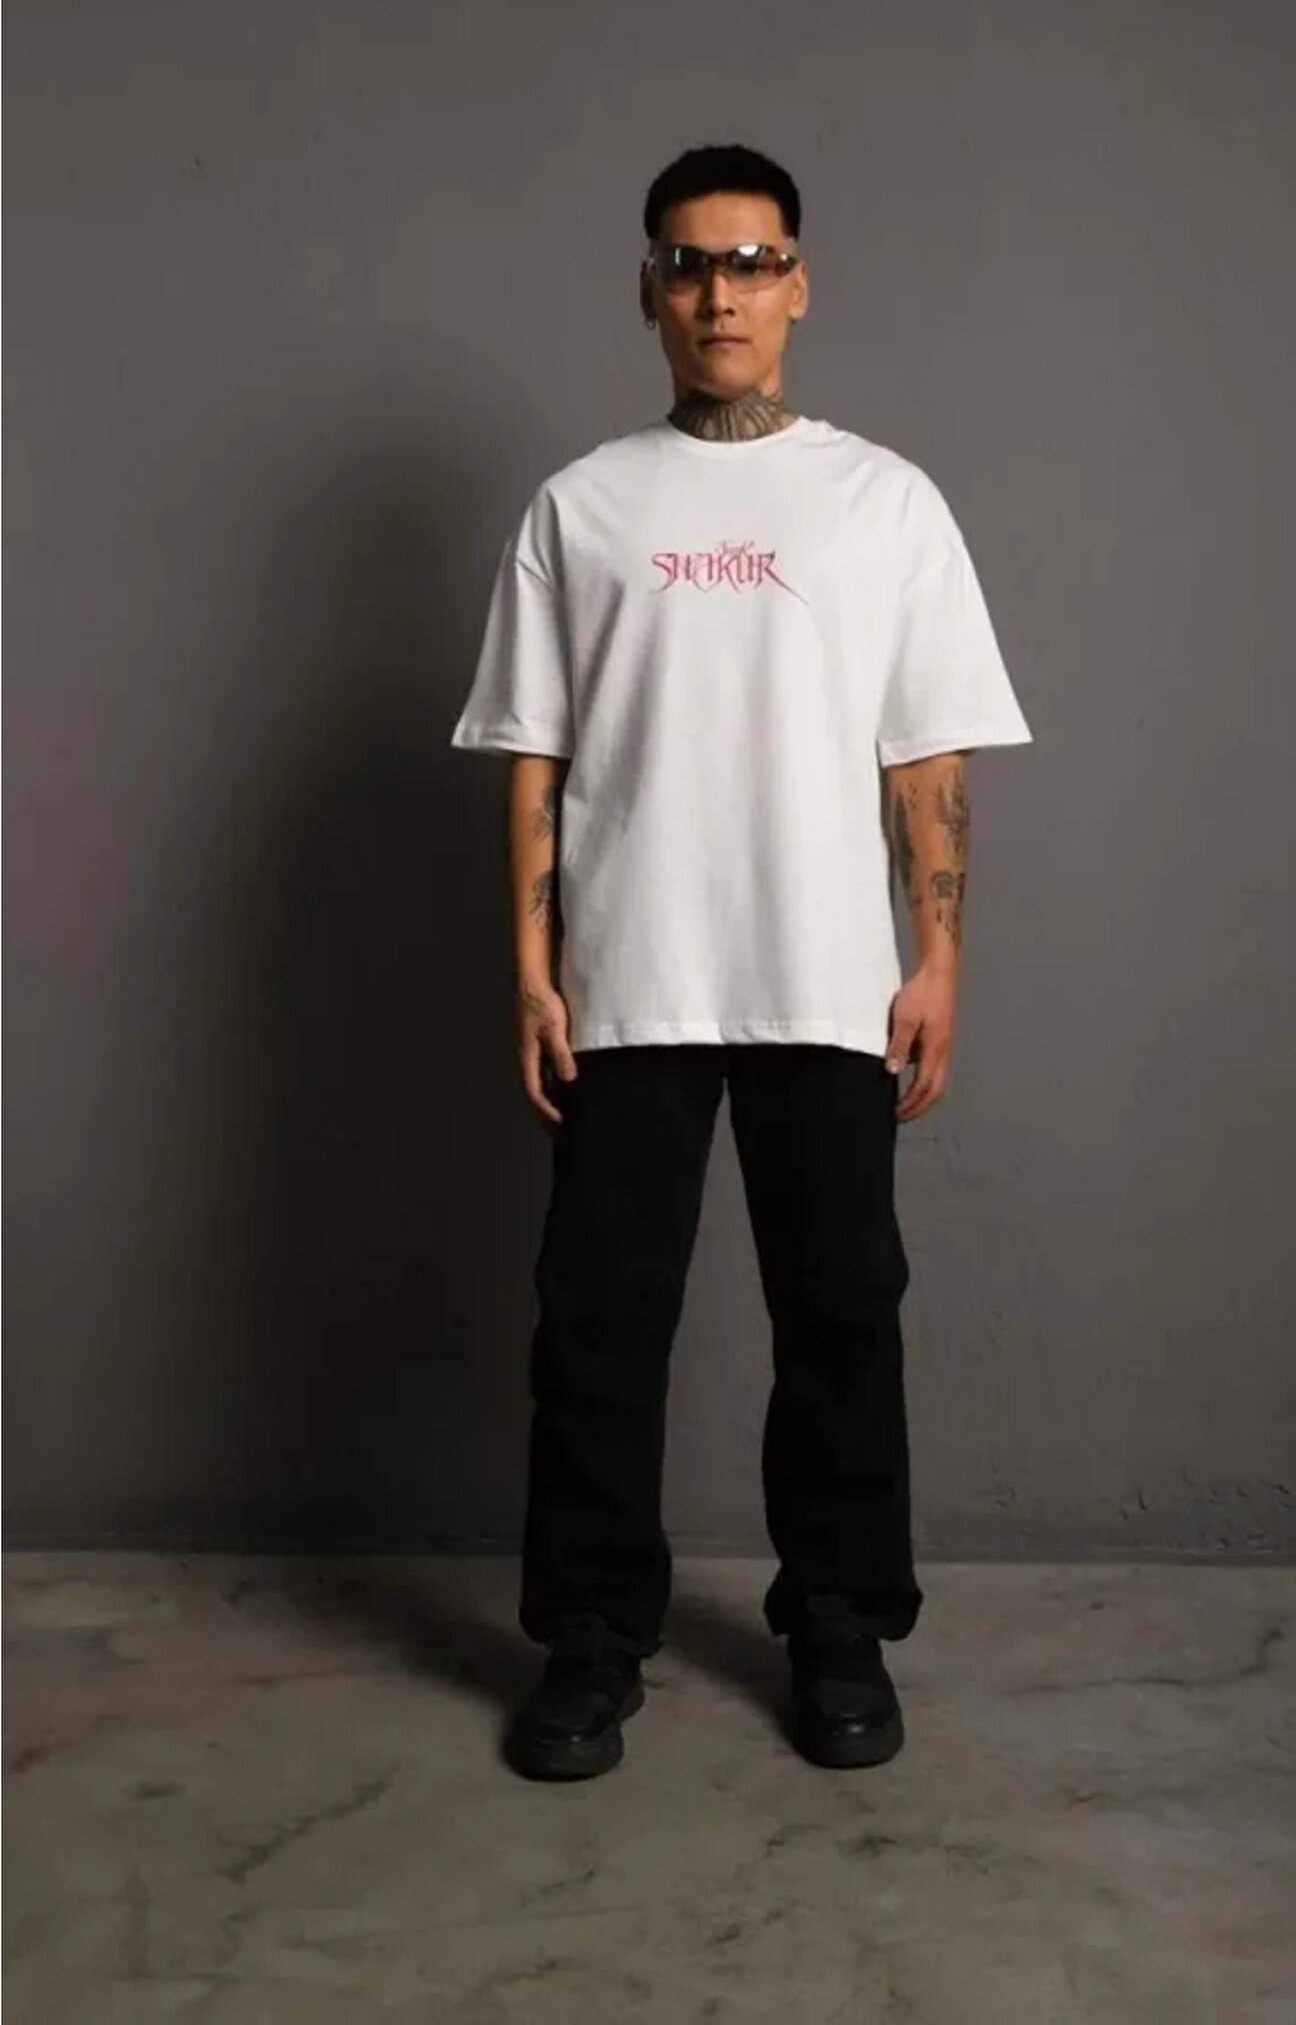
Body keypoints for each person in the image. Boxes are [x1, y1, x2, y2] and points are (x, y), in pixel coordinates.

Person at [450, 143, 1033, 1781]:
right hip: (628, 980)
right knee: (596, 1325)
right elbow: (536, 758)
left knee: (843, 1313)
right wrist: (531, 965)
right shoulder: (580, 506)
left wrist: (937, 960)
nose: (723, 293)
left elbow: (928, 759)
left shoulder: (885, 502)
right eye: (692, 263)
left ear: (800, 286)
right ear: (648, 290)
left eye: (754, 261)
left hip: (827, 975)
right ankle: (589, 1639)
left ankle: (839, 1626)